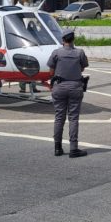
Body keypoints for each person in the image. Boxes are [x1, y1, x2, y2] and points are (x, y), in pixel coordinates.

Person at [47, 29, 89, 158]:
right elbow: (82, 68)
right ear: (73, 39)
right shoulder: (79, 53)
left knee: (59, 117)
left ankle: (57, 148)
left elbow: (50, 72)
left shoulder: (56, 53)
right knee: (73, 118)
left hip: (59, 87)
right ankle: (73, 148)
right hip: (75, 87)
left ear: (63, 40)